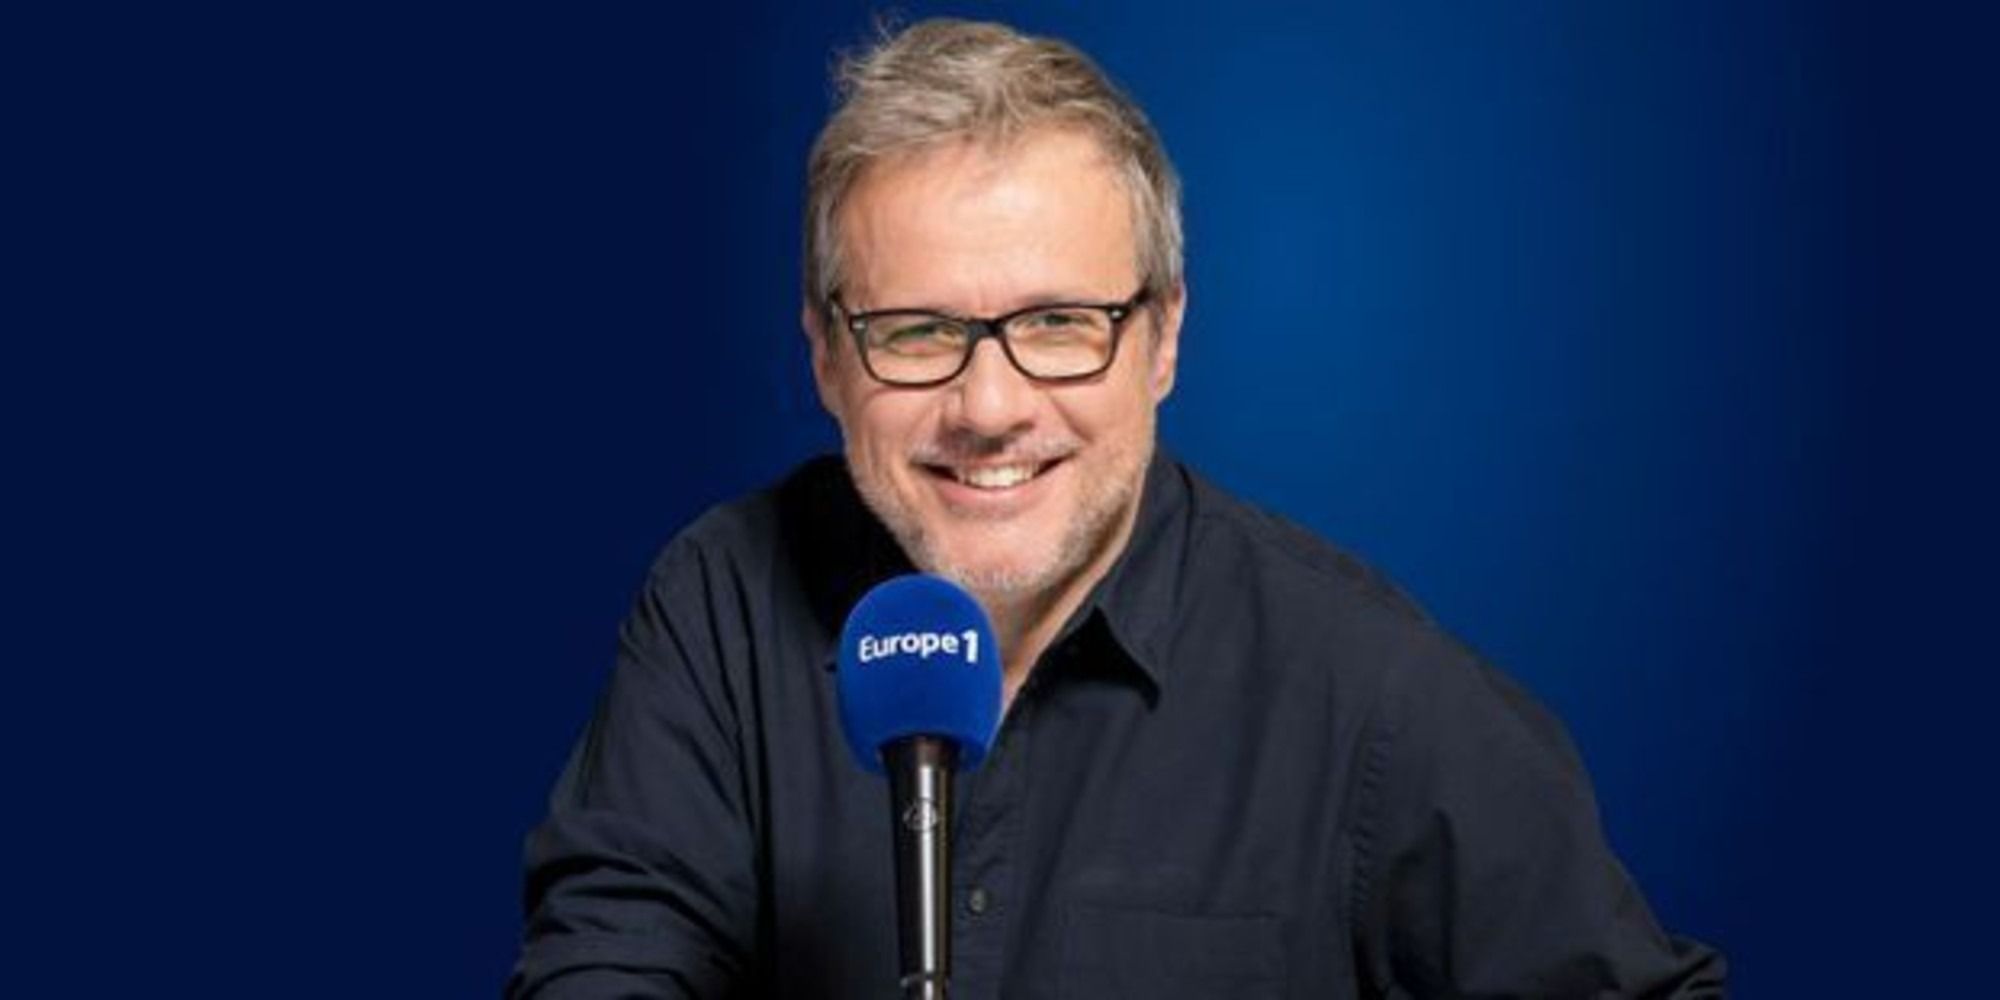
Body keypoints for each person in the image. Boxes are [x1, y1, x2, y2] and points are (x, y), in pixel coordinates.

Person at [510, 18, 1724, 999]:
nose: (989, 407)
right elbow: (605, 961)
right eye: (917, 332)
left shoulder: (1369, 697)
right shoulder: (719, 609)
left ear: (1162, 339)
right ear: (827, 357)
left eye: (1057, 325)